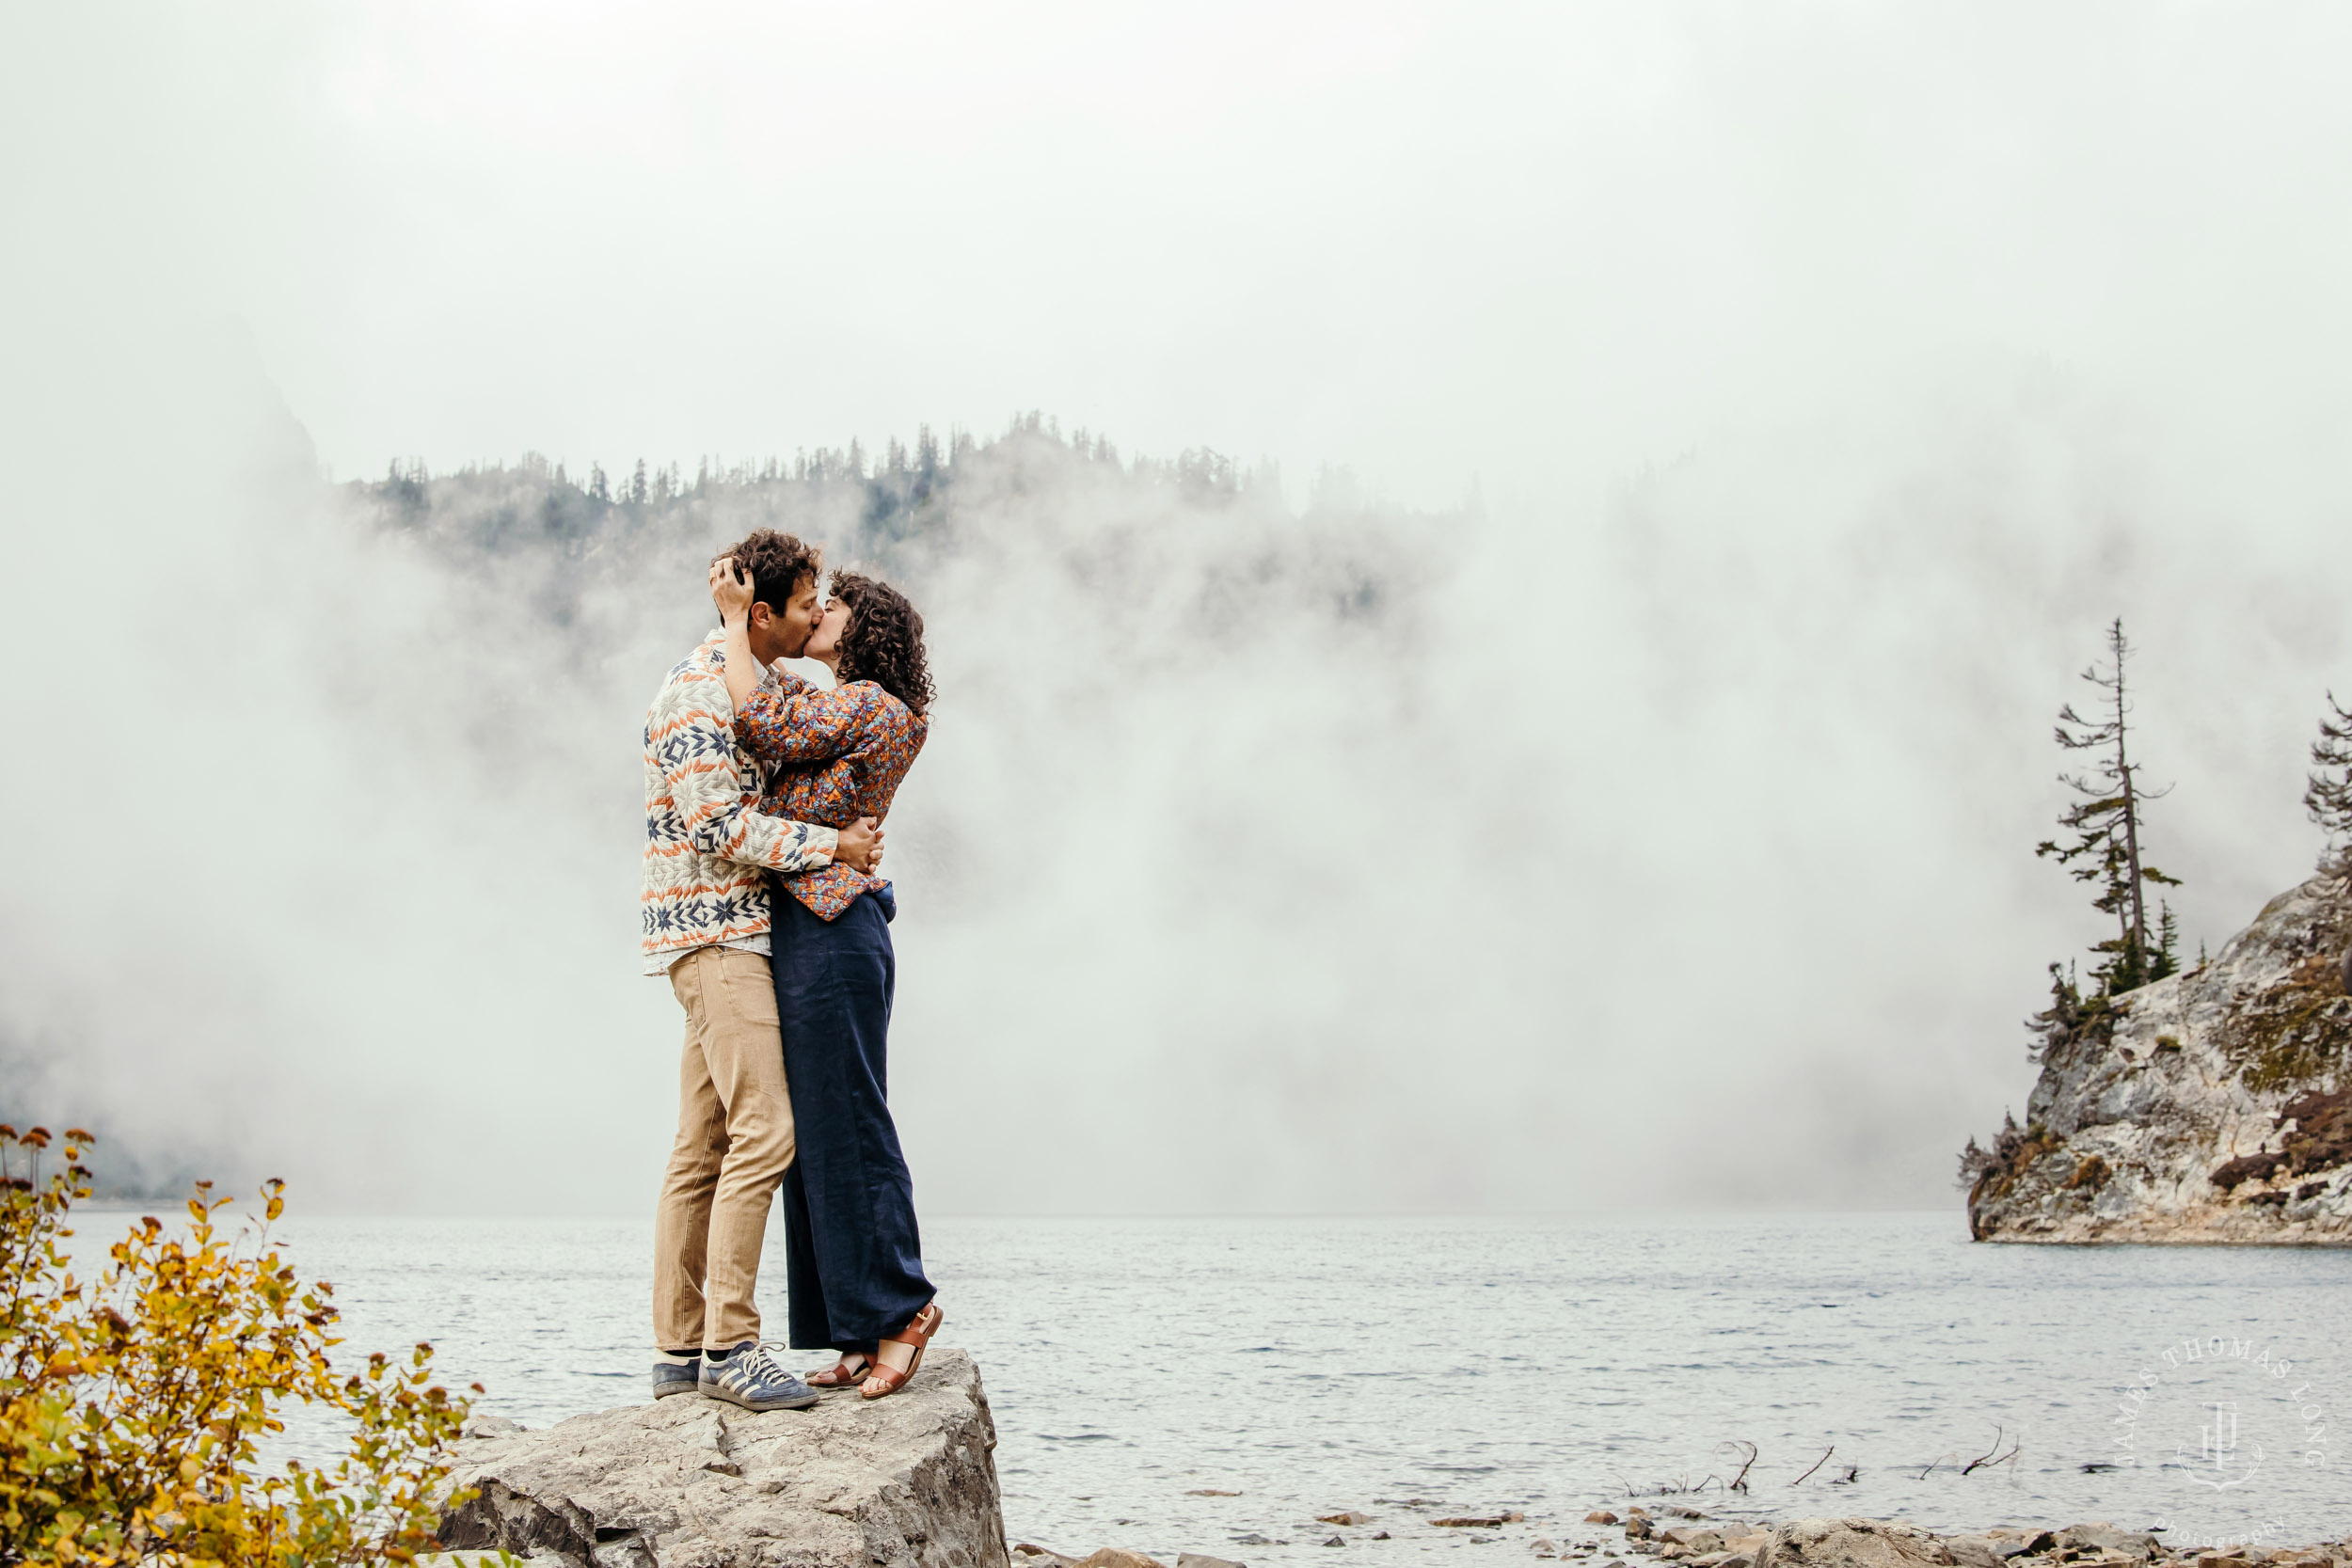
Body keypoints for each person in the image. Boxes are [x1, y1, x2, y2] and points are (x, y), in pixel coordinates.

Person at [642, 529, 883, 1414]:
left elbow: (801, 706)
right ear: (767, 608)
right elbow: (717, 825)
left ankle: (678, 1351)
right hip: (718, 939)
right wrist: (834, 844)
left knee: (702, 1147)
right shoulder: (696, 691)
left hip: (732, 935)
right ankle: (732, 1347)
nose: (820, 612)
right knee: (767, 1133)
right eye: (808, 600)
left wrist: (761, 620)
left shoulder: (760, 676)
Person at [710, 557, 944, 1401]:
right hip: (810, 923)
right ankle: (851, 1324)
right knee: (814, 1129)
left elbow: (764, 727)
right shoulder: (841, 703)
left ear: (865, 625)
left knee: (849, 1119)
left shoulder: (877, 705)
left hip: (837, 927)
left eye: (832, 605)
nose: (820, 614)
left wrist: (740, 622)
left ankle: (903, 1308)